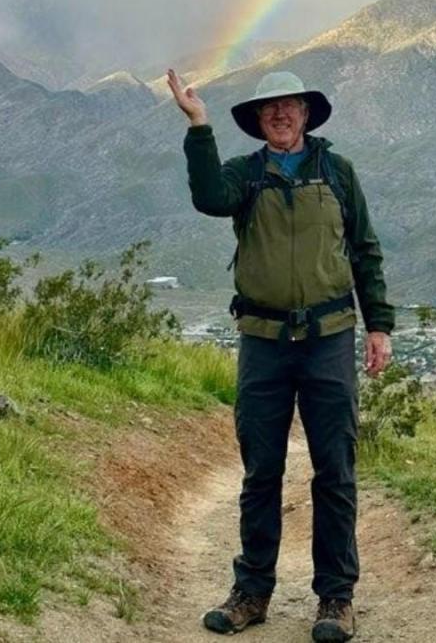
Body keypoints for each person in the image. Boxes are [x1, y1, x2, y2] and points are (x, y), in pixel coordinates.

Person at [167, 68, 394, 642]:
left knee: (335, 473)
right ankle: (252, 592)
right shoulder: (246, 174)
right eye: (270, 109)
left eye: (290, 106)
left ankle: (335, 599)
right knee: (260, 470)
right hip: (263, 342)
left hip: (329, 339)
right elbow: (208, 199)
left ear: (307, 114)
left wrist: (379, 326)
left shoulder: (337, 172)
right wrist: (199, 126)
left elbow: (365, 250)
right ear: (260, 120)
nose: (280, 115)